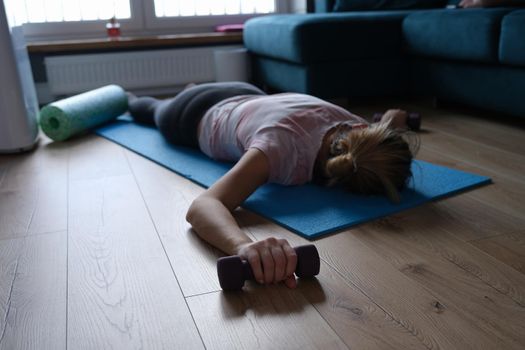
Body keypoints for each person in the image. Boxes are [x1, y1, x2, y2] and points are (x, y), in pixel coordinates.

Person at [128, 82, 418, 289]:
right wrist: (243, 246)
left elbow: (387, 125)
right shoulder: (280, 147)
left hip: (249, 92)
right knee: (152, 109)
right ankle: (128, 97)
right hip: (193, 112)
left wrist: (393, 119)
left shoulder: (352, 124)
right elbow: (203, 206)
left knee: (191, 92)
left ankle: (190, 86)